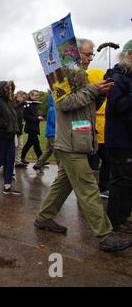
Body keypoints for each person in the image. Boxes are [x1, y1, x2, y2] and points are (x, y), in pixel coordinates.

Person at [34, 38, 131, 252]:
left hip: (80, 140)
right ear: (75, 53)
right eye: (87, 54)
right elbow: (64, 104)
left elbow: (87, 105)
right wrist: (94, 90)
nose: (90, 58)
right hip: (69, 143)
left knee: (63, 184)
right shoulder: (59, 76)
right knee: (88, 188)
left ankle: (44, 217)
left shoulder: (81, 77)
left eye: (91, 54)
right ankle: (105, 235)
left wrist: (101, 94)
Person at [104, 39, 132, 234]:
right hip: (120, 138)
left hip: (128, 137)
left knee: (128, 180)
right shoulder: (117, 77)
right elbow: (116, 106)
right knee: (121, 180)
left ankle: (124, 216)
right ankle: (115, 220)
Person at [87, 68, 110, 199]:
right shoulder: (90, 95)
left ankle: (103, 186)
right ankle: (90, 190)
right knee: (90, 163)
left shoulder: (104, 95)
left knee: (107, 161)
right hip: (92, 133)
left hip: (103, 133)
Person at [34, 93, 59, 173]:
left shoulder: (53, 109)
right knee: (57, 151)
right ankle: (61, 168)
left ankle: (38, 165)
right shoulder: (53, 110)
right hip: (52, 134)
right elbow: (54, 123)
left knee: (48, 151)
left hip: (51, 133)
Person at [20, 90, 43, 164]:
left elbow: (34, 116)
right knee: (36, 143)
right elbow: (26, 117)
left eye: (37, 95)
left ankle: (21, 157)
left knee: (29, 144)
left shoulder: (34, 104)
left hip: (34, 127)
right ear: (31, 96)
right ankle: (41, 160)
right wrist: (37, 118)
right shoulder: (27, 104)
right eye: (36, 95)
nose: (37, 97)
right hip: (30, 128)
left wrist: (40, 117)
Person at [14, 91, 27, 167]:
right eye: (23, 97)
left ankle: (18, 162)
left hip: (20, 128)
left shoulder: (22, 105)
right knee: (14, 146)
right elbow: (14, 109)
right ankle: (8, 162)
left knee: (20, 145)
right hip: (14, 129)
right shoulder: (13, 102)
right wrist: (21, 104)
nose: (24, 99)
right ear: (18, 96)